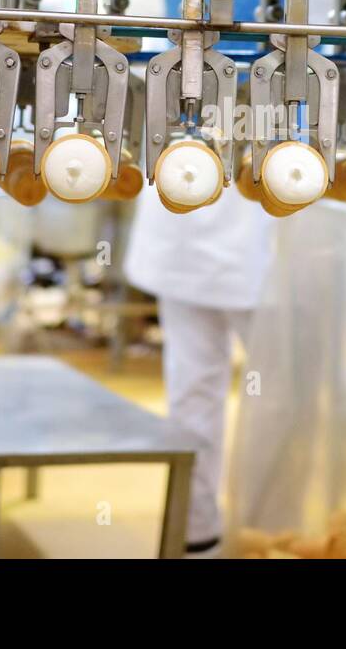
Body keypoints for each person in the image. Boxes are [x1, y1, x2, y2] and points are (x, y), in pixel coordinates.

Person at [124, 178, 274, 556]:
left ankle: (233, 534)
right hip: (205, 233)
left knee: (200, 393)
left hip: (209, 231)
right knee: (274, 400)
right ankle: (233, 535)